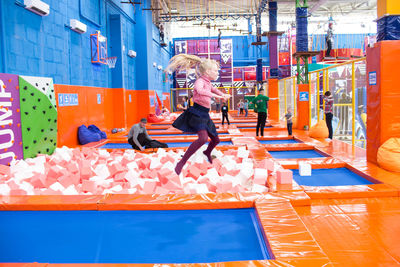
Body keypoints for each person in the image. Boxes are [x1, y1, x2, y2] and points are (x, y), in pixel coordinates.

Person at [166, 54, 231, 175]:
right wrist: (218, 96)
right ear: (207, 71)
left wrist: (223, 95)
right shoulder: (199, 82)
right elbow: (201, 91)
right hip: (197, 113)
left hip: (205, 115)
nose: (217, 73)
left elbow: (215, 90)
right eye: (215, 70)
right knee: (203, 138)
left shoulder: (208, 83)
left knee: (216, 139)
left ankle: (207, 152)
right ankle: (182, 162)